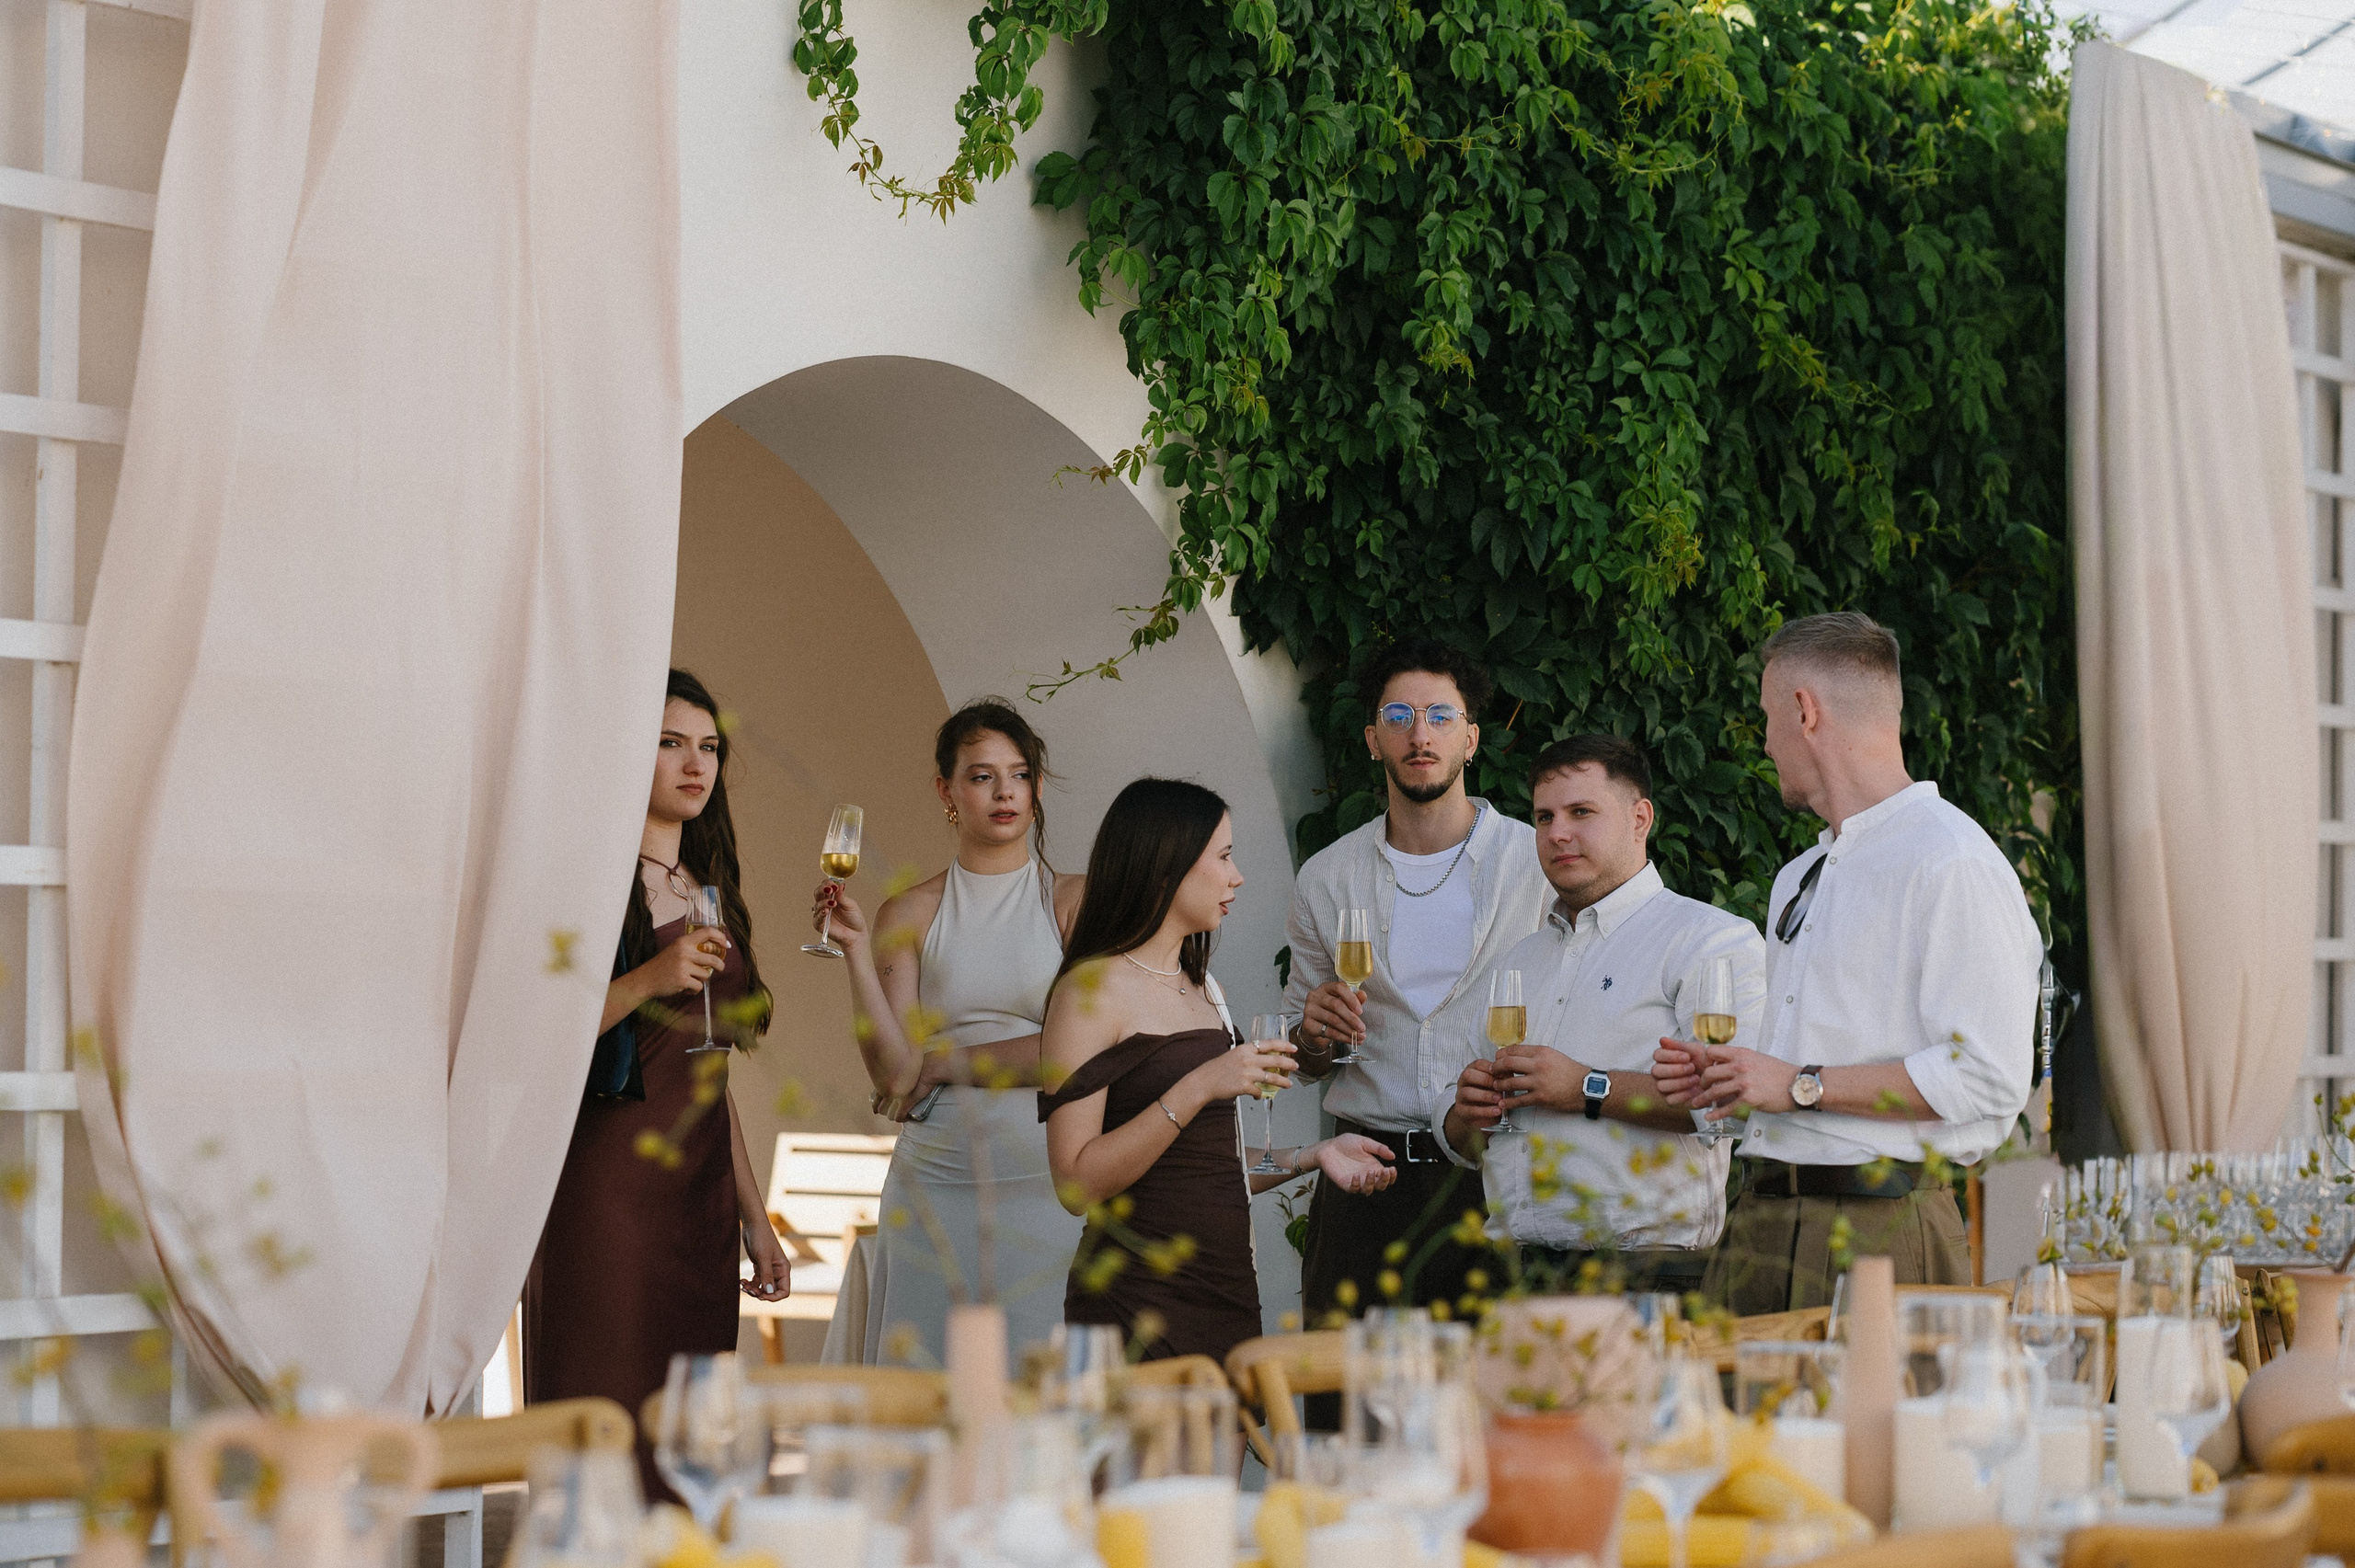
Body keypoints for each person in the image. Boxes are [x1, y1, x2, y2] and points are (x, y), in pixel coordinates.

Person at [1652, 612, 2043, 1315]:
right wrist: (1738, 1081)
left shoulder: (1951, 861)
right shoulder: (1799, 875)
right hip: (1761, 1220)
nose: (1767, 744)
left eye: (1769, 717)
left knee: (1879, 1431)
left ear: (1804, 711)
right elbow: (1800, 1070)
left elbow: (1987, 1075)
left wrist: (1798, 1085)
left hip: (1882, 1229)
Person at [524, 670, 789, 1497]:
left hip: (700, 1188)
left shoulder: (711, 895)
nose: (695, 763)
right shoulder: (586, 882)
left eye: (708, 747)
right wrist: (648, 979)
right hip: (609, 1179)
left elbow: (712, 1072)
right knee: (604, 1395)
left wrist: (756, 1217)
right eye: (670, 742)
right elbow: (532, 1032)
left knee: (692, 1412)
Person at [1039, 777, 1400, 1365]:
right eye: (1224, 856)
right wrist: (1203, 1082)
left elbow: (1207, 1171)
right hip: (1134, 1294)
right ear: (1166, 863)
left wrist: (1311, 1157)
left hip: (1225, 1289)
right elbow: (1077, 1184)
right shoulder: (1089, 991)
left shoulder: (1205, 987)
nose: (1237, 876)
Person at [1285, 641, 1552, 1333]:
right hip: (1362, 1179)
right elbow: (1308, 1058)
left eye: (1439, 714)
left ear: (1470, 737)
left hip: (1494, 1176)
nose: (1419, 732)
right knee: (1346, 1415)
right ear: (1373, 738)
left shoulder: (1536, 864)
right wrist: (1312, 1037)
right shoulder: (1327, 876)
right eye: (1398, 714)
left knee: (1492, 1417)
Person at [1435, 737, 1765, 1295]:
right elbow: (1459, 1130)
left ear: (1641, 819)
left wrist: (1586, 1087)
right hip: (1509, 1276)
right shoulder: (1518, 962)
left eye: (1581, 812)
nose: (1557, 833)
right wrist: (1466, 1113)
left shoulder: (1710, 942)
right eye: (1543, 817)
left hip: (1647, 1277)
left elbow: (1736, 1103)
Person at [812, 700, 1086, 1368]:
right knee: (924, 1385)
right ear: (946, 790)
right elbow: (894, 1074)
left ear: (1038, 787)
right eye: (982, 776)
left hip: (1042, 1179)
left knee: (1039, 1388)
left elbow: (1075, 1053)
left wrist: (940, 1062)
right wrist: (852, 951)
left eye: (1018, 775)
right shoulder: (907, 910)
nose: (1003, 793)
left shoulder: (1075, 900)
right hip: (932, 1181)